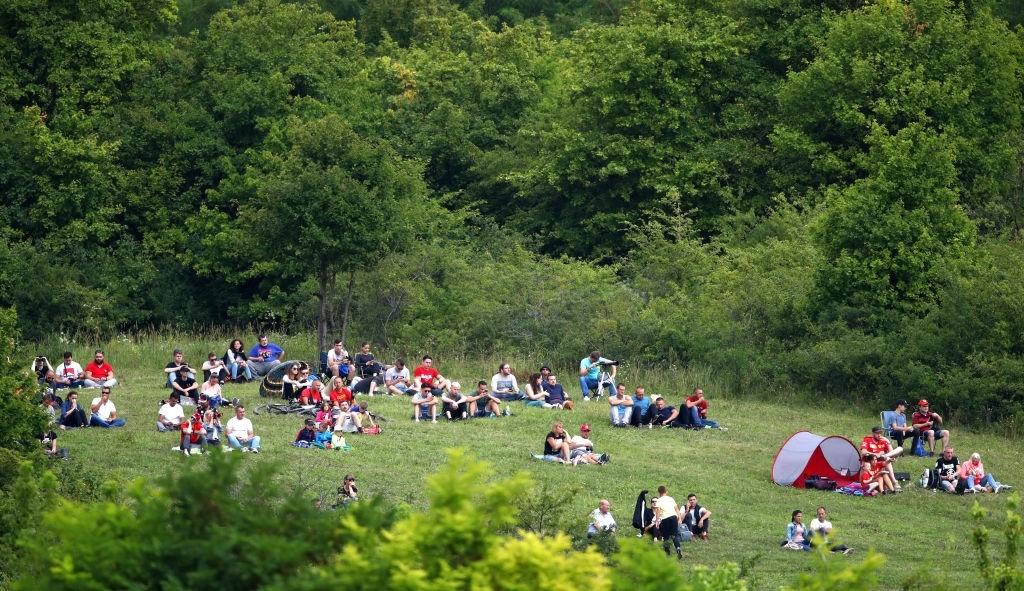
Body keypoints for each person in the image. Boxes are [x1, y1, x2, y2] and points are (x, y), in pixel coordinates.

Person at [860, 426, 902, 491]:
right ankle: (894, 481)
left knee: (900, 449)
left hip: (881, 459)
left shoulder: (882, 441)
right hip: (870, 459)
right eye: (877, 433)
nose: (879, 435)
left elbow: (892, 452)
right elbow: (863, 452)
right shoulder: (867, 439)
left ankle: (894, 482)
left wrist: (887, 441)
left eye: (880, 433)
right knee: (887, 459)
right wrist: (877, 454)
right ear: (873, 433)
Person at [653, 485, 683, 559]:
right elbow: (676, 509)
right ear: (666, 492)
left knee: (665, 537)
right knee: (674, 535)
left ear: (659, 492)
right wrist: (679, 518)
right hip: (673, 517)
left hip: (665, 519)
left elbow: (658, 511)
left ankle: (668, 553)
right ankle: (678, 548)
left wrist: (657, 521)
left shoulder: (659, 500)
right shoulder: (671, 499)